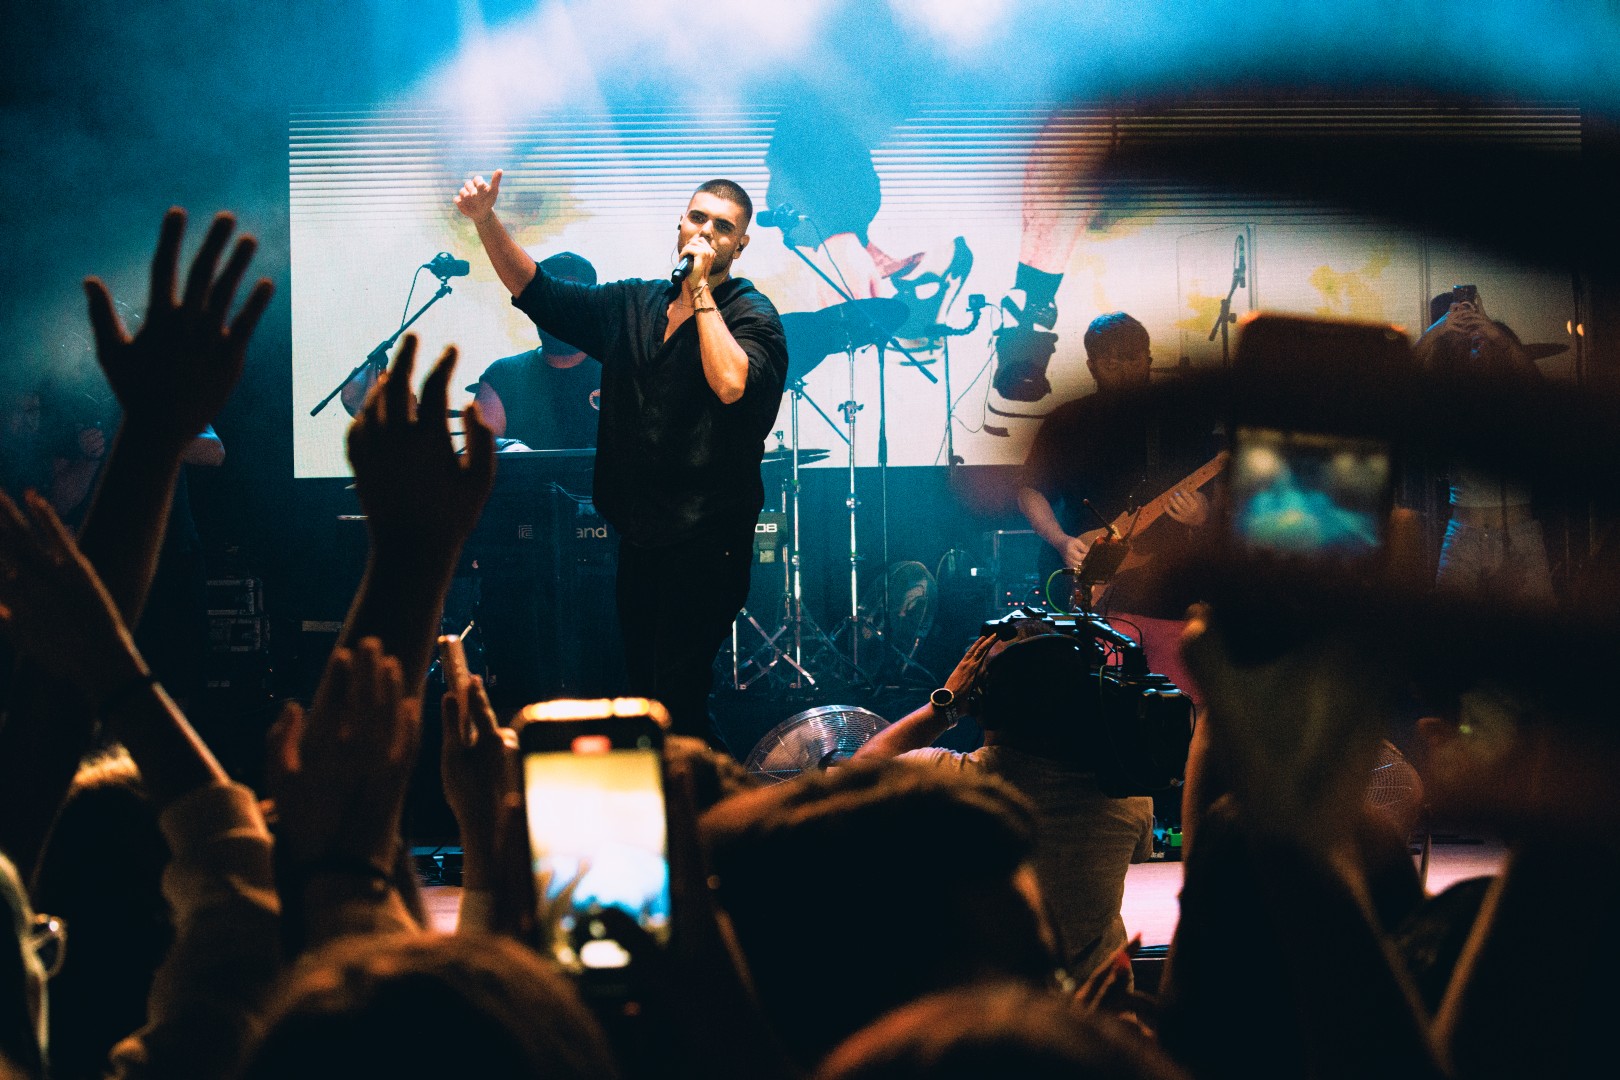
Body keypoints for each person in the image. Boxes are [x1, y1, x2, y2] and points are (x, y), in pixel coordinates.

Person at [454, 170, 789, 743]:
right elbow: (539, 292)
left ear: (741, 243)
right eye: (698, 218)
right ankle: (687, 809)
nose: (706, 232)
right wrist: (487, 221)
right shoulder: (632, 304)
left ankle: (705, 821)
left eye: (723, 226)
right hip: (638, 537)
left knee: (677, 692)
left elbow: (732, 384)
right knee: (646, 696)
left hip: (707, 543)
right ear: (680, 223)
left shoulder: (752, 316)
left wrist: (701, 289)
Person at [857, 627, 1155, 979]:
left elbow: (859, 774)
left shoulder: (949, 784)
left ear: (984, 703)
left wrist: (945, 704)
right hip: (1095, 1013)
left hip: (990, 1012)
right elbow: (1142, 853)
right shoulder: (1129, 797)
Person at [1015, 312, 1216, 696]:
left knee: (1177, 701)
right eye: (1110, 363)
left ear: (1149, 359)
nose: (1123, 371)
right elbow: (1031, 490)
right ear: (1091, 365)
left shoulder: (1182, 419)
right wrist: (1060, 540)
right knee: (1102, 702)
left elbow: (1221, 494)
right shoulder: (1066, 422)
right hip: (1095, 585)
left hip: (1169, 592)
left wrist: (1202, 513)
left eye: (1133, 360)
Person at [1415, 289, 1554, 604]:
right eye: (1473, 340)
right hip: (1464, 534)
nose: (1477, 340)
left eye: (1485, 340)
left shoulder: (1519, 401)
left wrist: (1495, 332)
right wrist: (1436, 332)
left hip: (1518, 534)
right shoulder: (1452, 402)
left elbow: (1536, 386)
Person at [469, 250, 603, 451]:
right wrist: (509, 447)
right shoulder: (504, 374)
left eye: (572, 295)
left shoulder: (620, 370)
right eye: (550, 298)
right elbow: (481, 443)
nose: (561, 308)